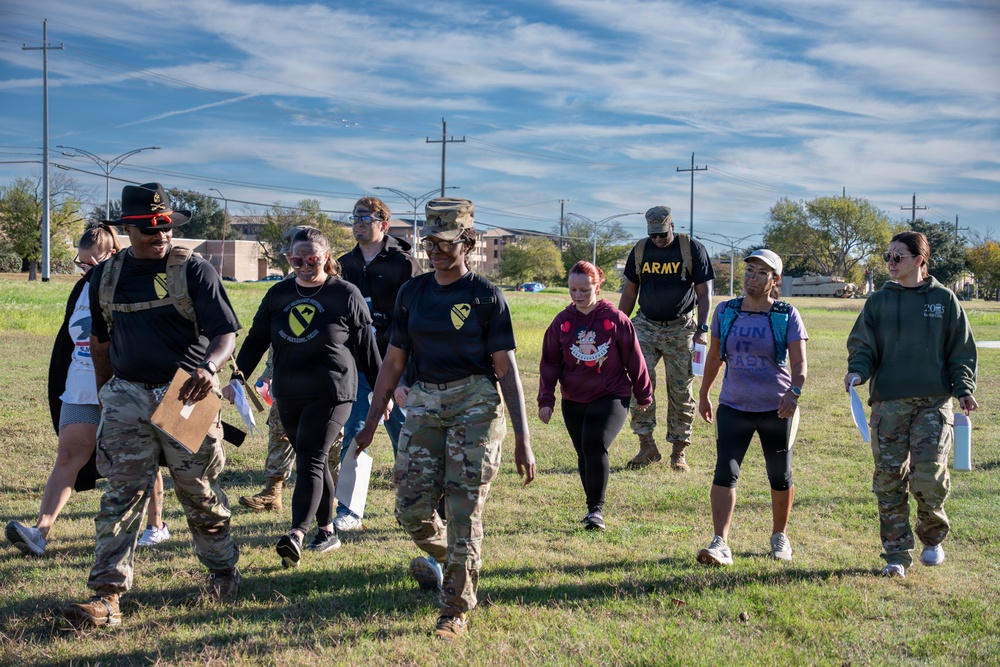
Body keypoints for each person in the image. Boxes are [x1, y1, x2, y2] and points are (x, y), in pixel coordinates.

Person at [354, 197, 536, 641]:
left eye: (445, 242)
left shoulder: (485, 295)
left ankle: (455, 608)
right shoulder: (412, 293)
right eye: (429, 241)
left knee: (463, 510)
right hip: (423, 403)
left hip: (476, 404)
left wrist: (522, 439)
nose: (435, 250)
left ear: (467, 243)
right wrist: (372, 420)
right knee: (410, 508)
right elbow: (394, 362)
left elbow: (506, 369)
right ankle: (461, 561)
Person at [63, 183, 242, 628]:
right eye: (149, 228)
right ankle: (106, 596)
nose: (160, 234)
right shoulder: (106, 276)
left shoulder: (194, 270)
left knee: (198, 492)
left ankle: (223, 571)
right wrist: (107, 395)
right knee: (120, 495)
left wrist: (209, 367)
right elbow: (101, 341)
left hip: (187, 393)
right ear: (128, 229)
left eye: (165, 224)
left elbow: (225, 332)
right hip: (126, 393)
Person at [5, 226, 171, 556]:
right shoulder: (81, 288)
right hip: (80, 388)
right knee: (67, 456)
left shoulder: (132, 286)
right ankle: (40, 532)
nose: (84, 272)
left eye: (90, 265)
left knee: (137, 461)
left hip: (124, 389)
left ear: (113, 256)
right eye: (80, 264)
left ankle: (156, 526)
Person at [225, 227, 381, 567]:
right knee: (317, 460)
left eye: (312, 259)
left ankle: (296, 533)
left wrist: (382, 396)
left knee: (310, 458)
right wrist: (237, 379)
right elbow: (255, 340)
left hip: (333, 391)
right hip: (288, 391)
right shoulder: (279, 294)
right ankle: (327, 532)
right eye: (297, 260)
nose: (305, 265)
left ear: (326, 257)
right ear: (288, 259)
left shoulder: (345, 294)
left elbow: (368, 353)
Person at [845, 231, 978, 578]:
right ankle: (896, 554)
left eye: (897, 257)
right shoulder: (878, 302)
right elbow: (863, 346)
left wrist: (964, 389)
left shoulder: (944, 300)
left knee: (929, 475)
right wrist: (857, 372)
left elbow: (960, 351)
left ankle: (932, 539)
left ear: (919, 260)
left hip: (934, 403)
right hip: (888, 404)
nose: (890, 263)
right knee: (889, 479)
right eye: (887, 256)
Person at [695, 249, 808, 566]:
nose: (752, 278)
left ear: (775, 280)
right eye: (749, 271)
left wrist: (793, 393)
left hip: (777, 409)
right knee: (724, 473)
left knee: (779, 475)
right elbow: (715, 357)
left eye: (761, 273)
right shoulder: (726, 311)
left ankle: (779, 536)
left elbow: (799, 365)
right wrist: (704, 394)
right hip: (733, 405)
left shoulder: (786, 314)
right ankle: (720, 542)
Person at [537, 261, 652, 530]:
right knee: (583, 453)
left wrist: (643, 394)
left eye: (584, 290)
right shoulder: (563, 322)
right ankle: (591, 507)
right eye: (573, 289)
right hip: (573, 398)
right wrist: (546, 400)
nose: (578, 295)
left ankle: (595, 511)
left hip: (611, 394)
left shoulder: (614, 319)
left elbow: (634, 358)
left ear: (597, 287)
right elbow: (550, 363)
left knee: (593, 444)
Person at [333, 196, 420, 532]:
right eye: (354, 216)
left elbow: (417, 318)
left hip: (397, 366)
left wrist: (407, 374)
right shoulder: (343, 264)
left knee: (406, 436)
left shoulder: (404, 264)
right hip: (358, 368)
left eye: (365, 217)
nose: (358, 222)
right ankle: (349, 511)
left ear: (384, 223)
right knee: (355, 433)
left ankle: (417, 504)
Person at [618, 205, 714, 471]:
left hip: (681, 328)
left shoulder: (691, 249)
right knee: (638, 387)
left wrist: (702, 330)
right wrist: (617, 327)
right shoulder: (640, 250)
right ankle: (647, 446)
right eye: (654, 235)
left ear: (672, 225)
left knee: (681, 391)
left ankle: (679, 451)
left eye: (662, 234)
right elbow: (629, 293)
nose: (658, 240)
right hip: (645, 327)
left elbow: (704, 294)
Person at [238, 226, 318, 514]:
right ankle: (273, 493)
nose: (298, 260)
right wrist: (267, 372)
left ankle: (327, 497)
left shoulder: (331, 286)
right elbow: (272, 338)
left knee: (327, 445)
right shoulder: (283, 289)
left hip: (325, 382)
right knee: (279, 431)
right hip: (286, 378)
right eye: (292, 253)